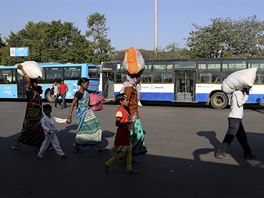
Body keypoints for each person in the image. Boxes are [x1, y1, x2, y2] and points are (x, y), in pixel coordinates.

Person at [215, 88, 256, 159]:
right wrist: (247, 95)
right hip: (235, 119)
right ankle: (220, 153)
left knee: (242, 137)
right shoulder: (238, 93)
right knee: (229, 137)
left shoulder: (235, 93)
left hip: (236, 118)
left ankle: (248, 153)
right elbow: (240, 103)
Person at [12, 64, 45, 149]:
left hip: (37, 116)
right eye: (41, 89)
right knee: (27, 129)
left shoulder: (38, 95)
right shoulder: (31, 92)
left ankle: (43, 144)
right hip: (31, 116)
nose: (42, 90)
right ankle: (17, 144)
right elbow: (29, 82)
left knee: (39, 130)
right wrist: (22, 70)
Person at [67, 77, 103, 152]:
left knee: (97, 127)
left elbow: (93, 96)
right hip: (81, 114)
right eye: (87, 84)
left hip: (88, 112)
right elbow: (73, 104)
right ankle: (78, 145)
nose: (88, 85)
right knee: (81, 130)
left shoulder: (87, 91)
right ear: (82, 84)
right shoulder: (78, 93)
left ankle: (96, 145)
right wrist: (69, 117)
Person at [105, 93, 134, 174]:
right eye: (126, 100)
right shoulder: (119, 111)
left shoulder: (124, 109)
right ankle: (108, 163)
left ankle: (129, 168)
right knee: (123, 153)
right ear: (121, 101)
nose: (128, 102)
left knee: (129, 150)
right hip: (122, 133)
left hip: (125, 132)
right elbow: (117, 124)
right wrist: (127, 122)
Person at [123, 74, 147, 156]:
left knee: (137, 136)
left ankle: (130, 155)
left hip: (135, 114)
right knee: (134, 136)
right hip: (132, 116)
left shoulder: (133, 87)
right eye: (138, 77)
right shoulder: (129, 88)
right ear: (133, 78)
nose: (140, 78)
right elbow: (125, 102)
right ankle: (127, 155)